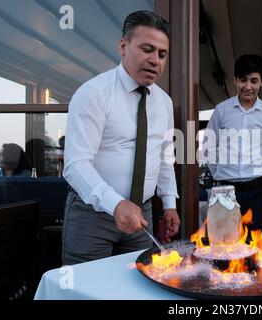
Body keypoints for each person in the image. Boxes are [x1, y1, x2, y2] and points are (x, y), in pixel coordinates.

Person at [62, 10, 180, 265]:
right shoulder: (94, 93)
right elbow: (75, 165)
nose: (155, 60)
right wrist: (115, 204)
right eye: (147, 49)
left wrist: (170, 204)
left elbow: (164, 157)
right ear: (123, 46)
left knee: (133, 288)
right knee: (86, 290)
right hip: (91, 216)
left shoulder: (164, 102)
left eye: (162, 54)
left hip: (142, 216)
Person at [203, 54, 262, 232]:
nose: (248, 86)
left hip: (257, 189)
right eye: (243, 80)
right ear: (235, 80)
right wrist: (220, 173)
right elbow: (209, 147)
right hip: (225, 190)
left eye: (254, 81)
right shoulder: (221, 111)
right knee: (224, 240)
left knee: (253, 241)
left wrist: (258, 172)